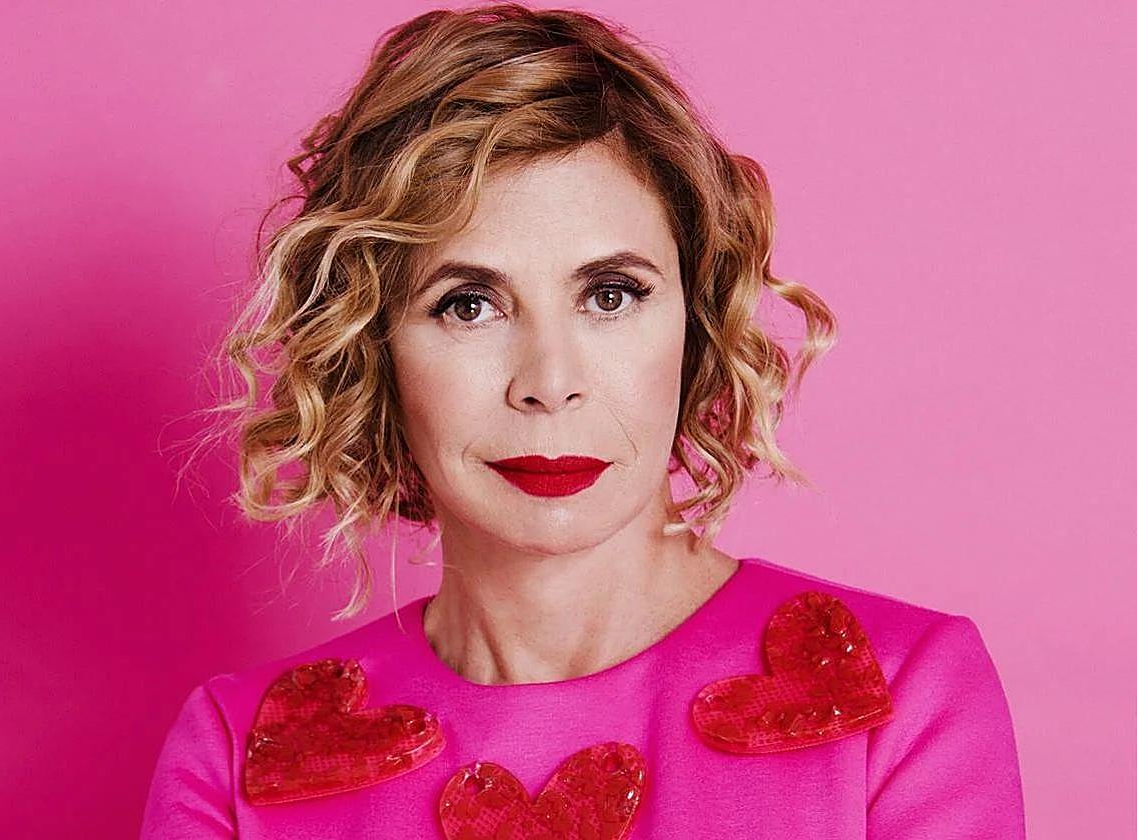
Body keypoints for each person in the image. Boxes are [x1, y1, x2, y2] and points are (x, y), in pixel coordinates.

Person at [140, 4, 1026, 837]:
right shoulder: (238, 755)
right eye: (468, 305)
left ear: (695, 323)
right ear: (375, 350)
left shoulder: (901, 695)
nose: (549, 383)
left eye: (610, 295)